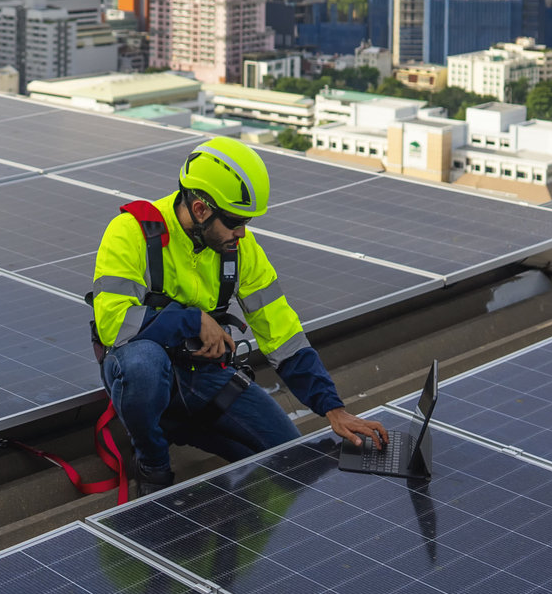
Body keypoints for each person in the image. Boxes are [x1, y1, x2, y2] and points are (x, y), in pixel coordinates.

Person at [88, 136, 387, 494]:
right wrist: (193, 320)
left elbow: (283, 333)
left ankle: (185, 427)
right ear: (200, 210)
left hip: (202, 375)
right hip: (145, 374)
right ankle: (152, 460)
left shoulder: (239, 248)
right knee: (142, 365)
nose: (242, 233)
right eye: (234, 222)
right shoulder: (131, 233)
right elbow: (115, 326)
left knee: (292, 461)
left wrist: (332, 408)